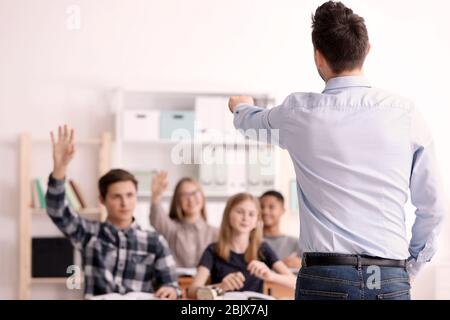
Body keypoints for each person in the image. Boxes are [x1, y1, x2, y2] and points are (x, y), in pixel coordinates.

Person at [228, 1, 446, 300]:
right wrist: (408, 269)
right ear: (367, 49)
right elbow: (433, 207)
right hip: (388, 277)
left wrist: (239, 106)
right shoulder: (405, 114)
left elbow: (251, 123)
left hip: (325, 279)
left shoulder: (297, 113)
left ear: (318, 57)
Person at [46, 125, 180, 299]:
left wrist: (170, 290)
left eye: (130, 195)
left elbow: (171, 285)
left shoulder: (154, 241)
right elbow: (57, 211)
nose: (124, 202)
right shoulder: (88, 233)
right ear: (102, 200)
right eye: (117, 196)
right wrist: (60, 168)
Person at [187, 193, 296, 299]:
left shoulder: (262, 248)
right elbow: (192, 292)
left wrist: (271, 276)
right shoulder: (212, 250)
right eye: (240, 212)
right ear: (228, 215)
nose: (245, 218)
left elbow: (295, 282)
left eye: (251, 214)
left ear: (256, 221)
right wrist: (221, 287)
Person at [150, 171, 218, 268]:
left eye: (194, 193)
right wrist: (156, 195)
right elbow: (157, 218)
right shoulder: (171, 229)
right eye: (184, 195)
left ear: (202, 195)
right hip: (177, 282)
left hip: (207, 283)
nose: (190, 199)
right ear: (177, 201)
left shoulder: (216, 233)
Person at [260, 190, 302, 269]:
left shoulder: (295, 243)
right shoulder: (251, 241)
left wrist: (302, 264)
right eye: (261, 207)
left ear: (282, 210)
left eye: (271, 207)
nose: (265, 211)